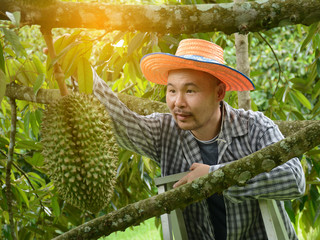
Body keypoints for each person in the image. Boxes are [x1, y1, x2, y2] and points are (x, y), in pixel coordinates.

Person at [92, 38, 305, 239]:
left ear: (219, 93)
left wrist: (215, 176)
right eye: (172, 90)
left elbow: (294, 179)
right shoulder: (164, 131)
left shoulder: (255, 127)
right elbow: (121, 122)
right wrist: (79, 70)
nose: (178, 102)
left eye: (190, 91)